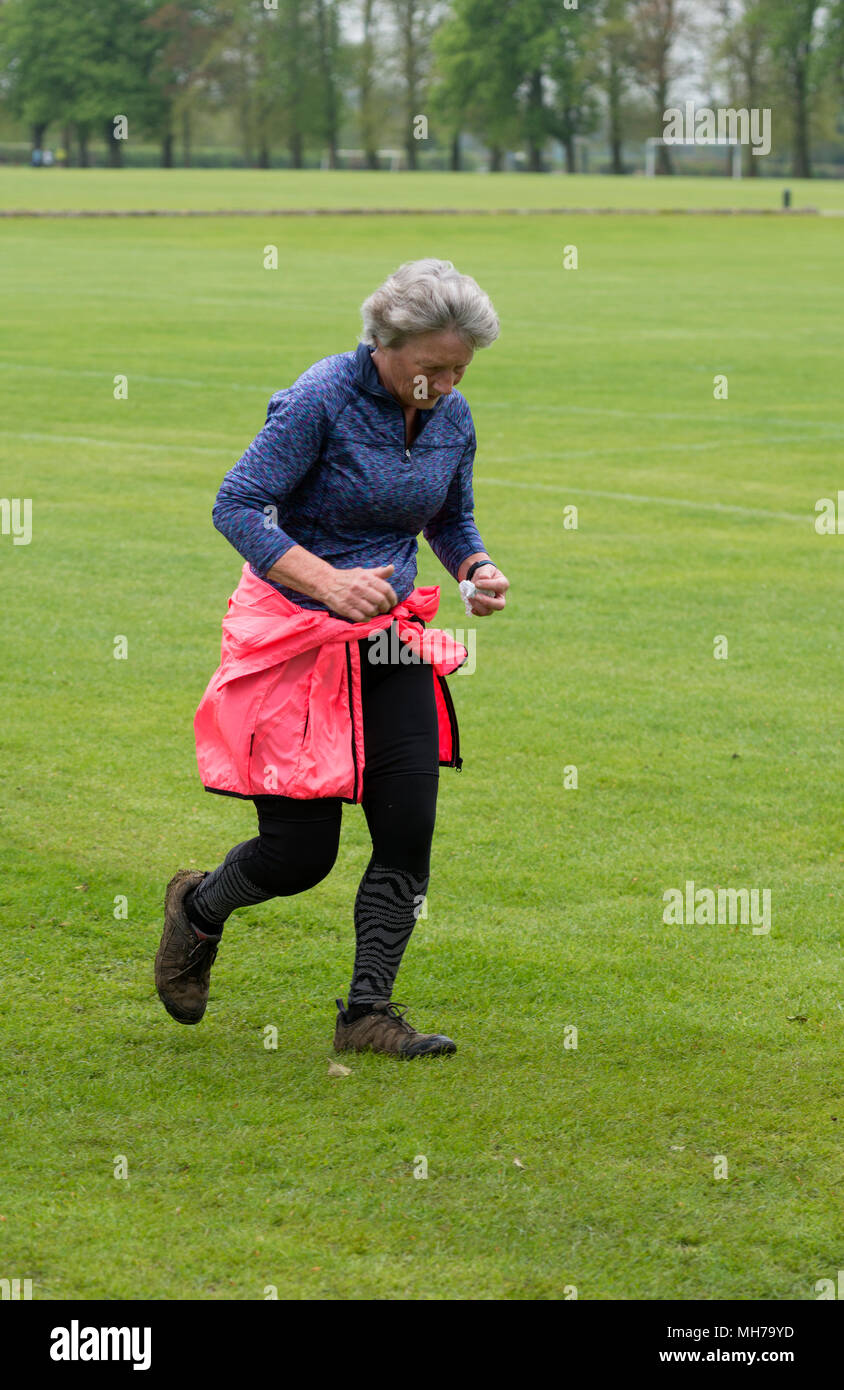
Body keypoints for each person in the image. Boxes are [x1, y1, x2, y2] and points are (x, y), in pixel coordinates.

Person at [155, 258, 510, 1058]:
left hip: (388, 639)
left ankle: (367, 1014)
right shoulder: (321, 398)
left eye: (460, 369)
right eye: (431, 368)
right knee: (299, 854)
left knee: (408, 823)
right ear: (383, 345)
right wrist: (326, 582)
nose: (446, 384)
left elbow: (451, 517)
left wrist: (474, 569)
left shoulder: (452, 414)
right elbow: (236, 502)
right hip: (292, 640)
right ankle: (198, 910)